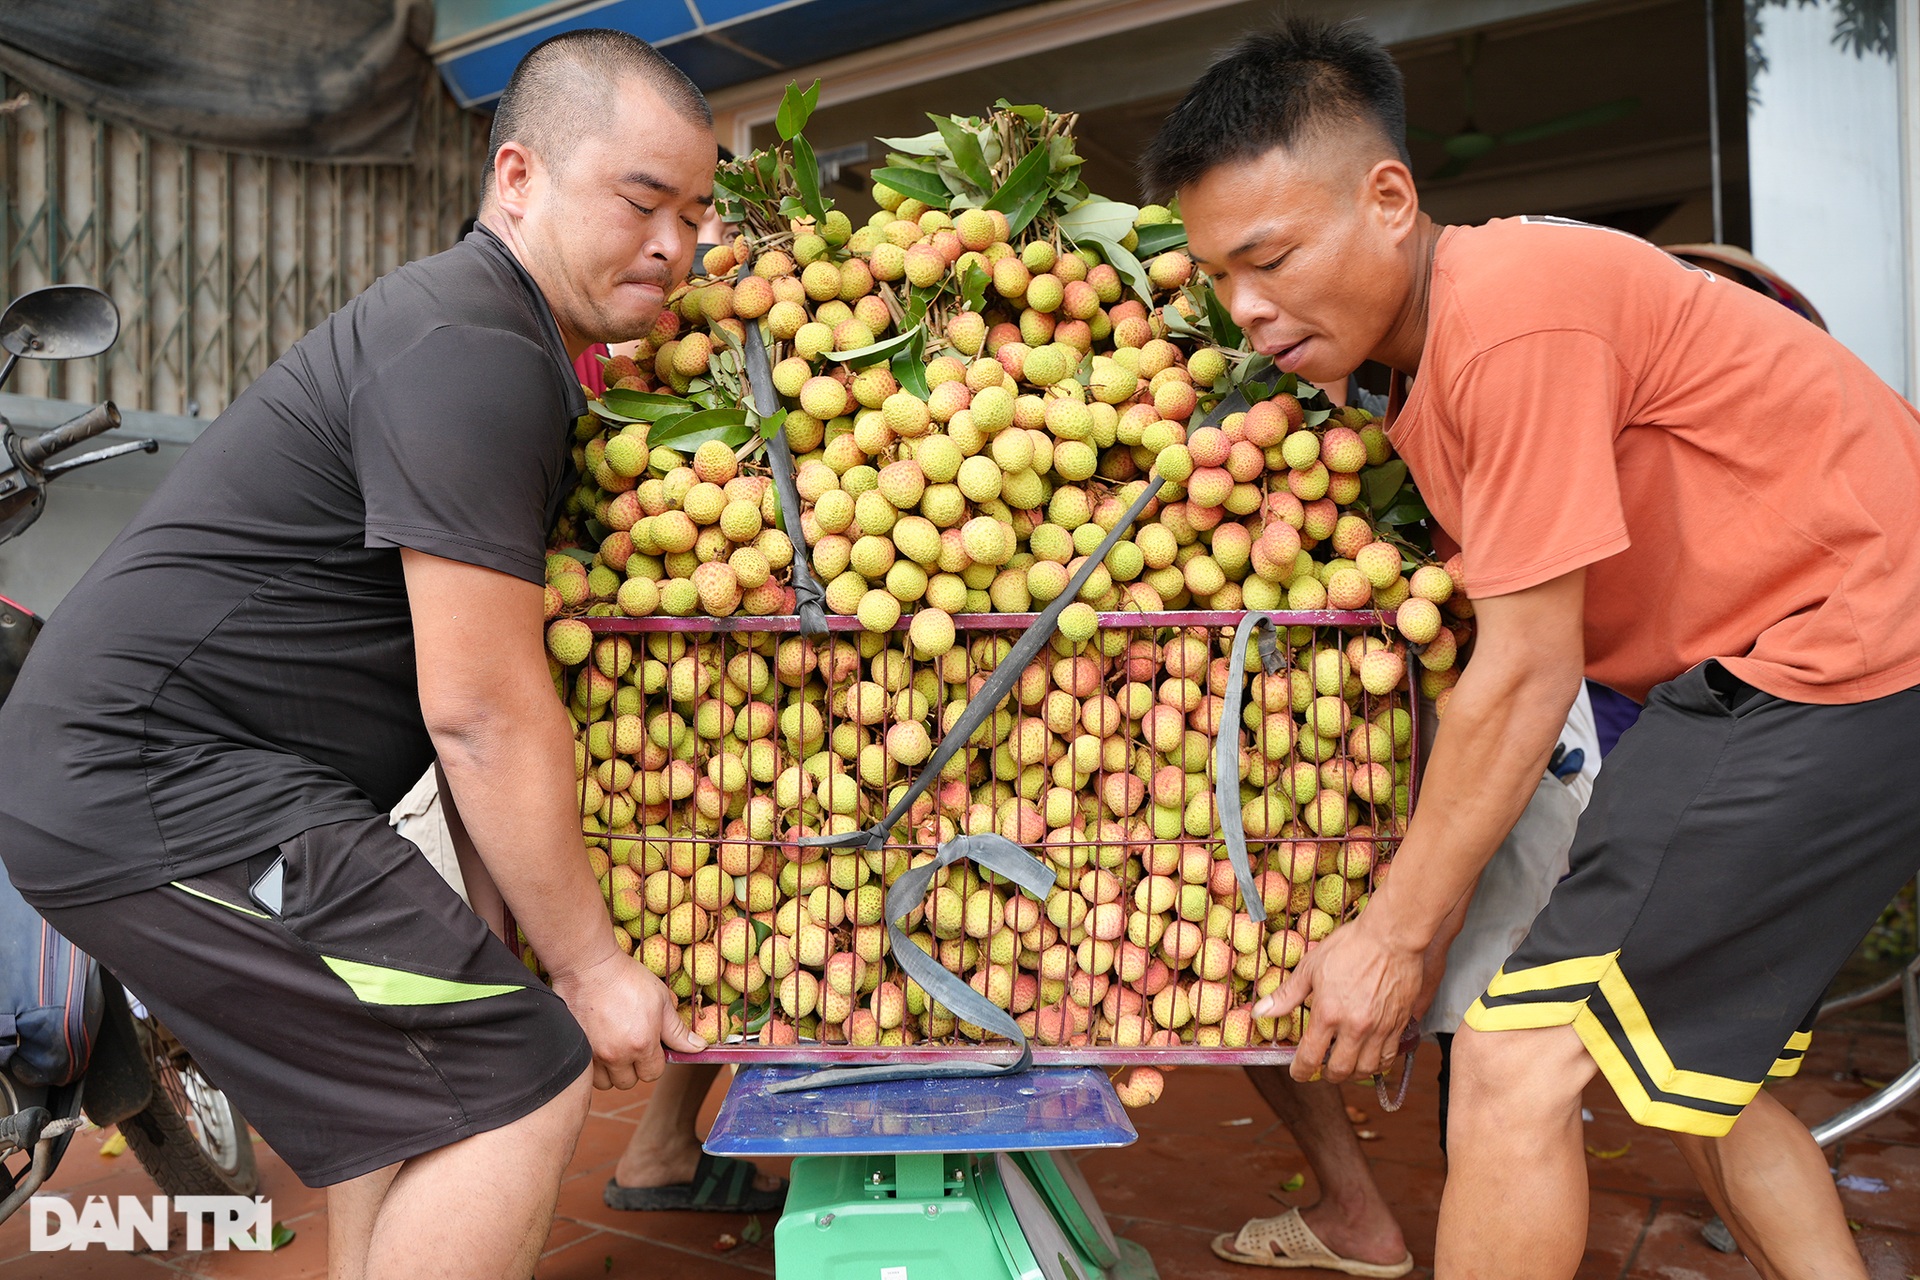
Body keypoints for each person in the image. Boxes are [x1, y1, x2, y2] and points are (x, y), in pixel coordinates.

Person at [1144, 17, 1920, 1280]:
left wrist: (1396, 936)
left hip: (1838, 652)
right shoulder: (1421, 375)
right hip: (1772, 678)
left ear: (1389, 197)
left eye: (1271, 257)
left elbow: (1524, 668)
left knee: (1515, 1055)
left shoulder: (1509, 315)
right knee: (1694, 1082)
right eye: (1218, 278)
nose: (1247, 309)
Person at [0, 29, 717, 1280]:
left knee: (422, 1067)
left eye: (698, 214)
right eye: (642, 201)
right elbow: (483, 709)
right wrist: (593, 966)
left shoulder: (494, 340)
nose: (676, 244)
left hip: (192, 786)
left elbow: (450, 687)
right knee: (518, 1075)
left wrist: (493, 919)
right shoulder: (476, 348)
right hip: (164, 790)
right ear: (518, 179)